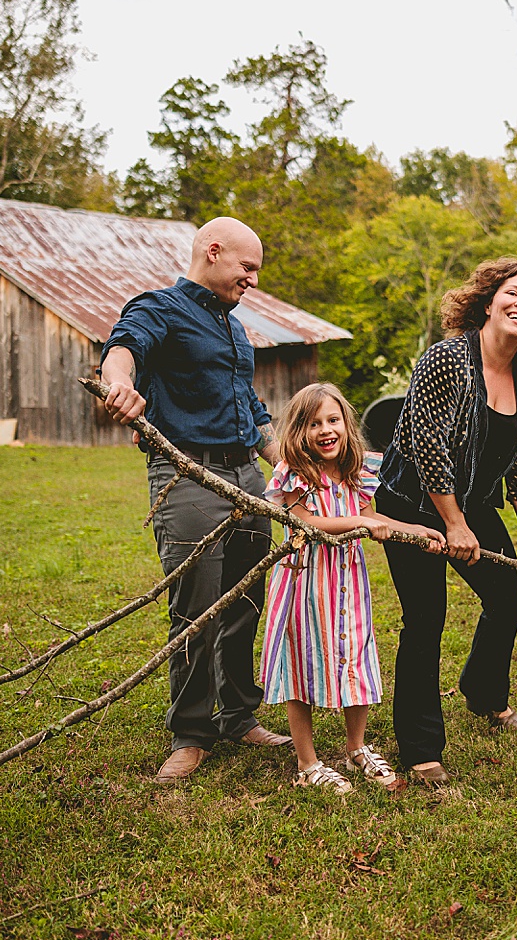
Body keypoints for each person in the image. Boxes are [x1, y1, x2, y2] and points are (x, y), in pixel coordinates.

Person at [101, 217, 292, 782]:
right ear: (213, 253)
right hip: (186, 480)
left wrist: (288, 466)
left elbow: (252, 412)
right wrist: (120, 383)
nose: (253, 280)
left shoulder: (235, 330)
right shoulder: (161, 307)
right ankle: (191, 731)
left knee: (244, 604)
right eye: (247, 267)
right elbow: (123, 347)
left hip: (248, 483)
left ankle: (238, 716)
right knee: (195, 608)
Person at [375, 257, 517, 787]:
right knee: (425, 617)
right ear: (487, 299)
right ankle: (419, 747)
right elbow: (426, 446)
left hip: (473, 501)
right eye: (514, 293)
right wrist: (453, 524)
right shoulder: (447, 361)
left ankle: (483, 695)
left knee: (507, 596)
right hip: (413, 503)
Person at [261, 383, 445, 793]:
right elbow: (305, 522)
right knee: (301, 662)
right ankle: (307, 763)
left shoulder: (355, 471)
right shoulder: (293, 472)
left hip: (348, 582)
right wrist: (360, 524)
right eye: (313, 424)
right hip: (304, 582)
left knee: (357, 657)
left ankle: (356, 747)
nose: (326, 430)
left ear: (346, 423)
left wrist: (412, 529)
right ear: (297, 431)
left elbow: (371, 517)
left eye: (333, 420)